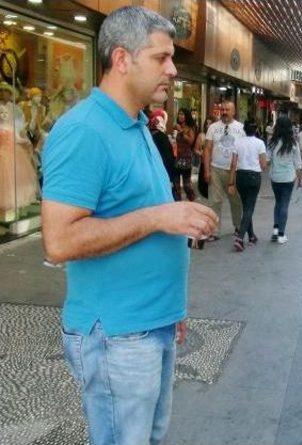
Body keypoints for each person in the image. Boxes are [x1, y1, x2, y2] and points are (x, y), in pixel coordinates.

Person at [40, 7, 218, 445]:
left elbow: (134, 212)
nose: (173, 70)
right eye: (161, 58)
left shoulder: (137, 124)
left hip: (150, 323)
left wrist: (169, 310)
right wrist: (161, 216)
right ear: (121, 59)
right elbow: (59, 241)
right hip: (116, 334)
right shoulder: (84, 130)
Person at [204, 101, 244, 240]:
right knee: (214, 201)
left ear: (234, 112)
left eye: (228, 109)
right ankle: (214, 231)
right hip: (216, 169)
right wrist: (207, 170)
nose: (225, 112)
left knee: (236, 201)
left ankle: (239, 227)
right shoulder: (213, 128)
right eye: (223, 109)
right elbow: (207, 149)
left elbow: (243, 151)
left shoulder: (241, 128)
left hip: (234, 172)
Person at [232, 119, 267, 251]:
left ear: (244, 130)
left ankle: (251, 236)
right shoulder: (260, 143)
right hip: (254, 177)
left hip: (240, 176)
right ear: (256, 129)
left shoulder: (237, 142)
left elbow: (233, 163)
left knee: (247, 206)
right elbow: (263, 165)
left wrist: (231, 181)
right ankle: (240, 238)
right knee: (249, 208)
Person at [267, 116, 302, 244]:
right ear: (289, 128)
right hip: (288, 178)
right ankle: (281, 235)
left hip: (275, 177)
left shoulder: (272, 142)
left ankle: (275, 230)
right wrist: (300, 180)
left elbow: (267, 160)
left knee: (278, 203)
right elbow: (298, 164)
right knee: (284, 205)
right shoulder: (293, 143)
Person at [149, 108, 179, 201]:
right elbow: (168, 158)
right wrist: (171, 176)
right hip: (163, 173)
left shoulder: (147, 134)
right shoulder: (162, 137)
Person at [174, 107, 196, 201]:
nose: (180, 116)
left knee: (187, 185)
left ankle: (191, 201)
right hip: (176, 157)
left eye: (182, 114)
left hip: (186, 158)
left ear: (186, 116)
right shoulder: (176, 126)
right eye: (179, 114)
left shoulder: (190, 128)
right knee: (176, 184)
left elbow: (191, 141)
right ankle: (178, 203)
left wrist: (182, 132)